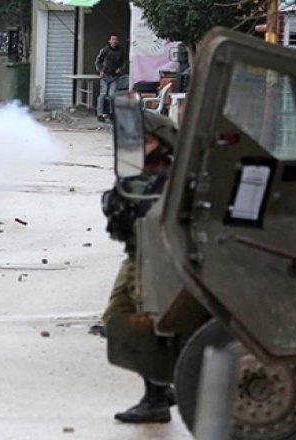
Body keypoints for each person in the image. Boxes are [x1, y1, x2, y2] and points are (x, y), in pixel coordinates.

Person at [101, 112, 177, 423]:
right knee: (117, 318)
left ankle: (156, 397)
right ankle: (161, 387)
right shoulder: (134, 175)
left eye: (147, 141)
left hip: (159, 263)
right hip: (137, 257)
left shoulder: (175, 178)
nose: (140, 148)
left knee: (145, 324)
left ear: (164, 144)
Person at [95, 34, 127, 122]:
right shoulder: (105, 50)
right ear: (109, 41)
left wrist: (120, 68)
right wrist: (100, 71)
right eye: (113, 39)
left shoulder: (121, 51)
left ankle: (112, 113)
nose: (114, 41)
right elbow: (98, 62)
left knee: (112, 95)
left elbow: (124, 62)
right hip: (105, 76)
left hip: (114, 77)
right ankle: (99, 114)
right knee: (102, 94)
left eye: (116, 39)